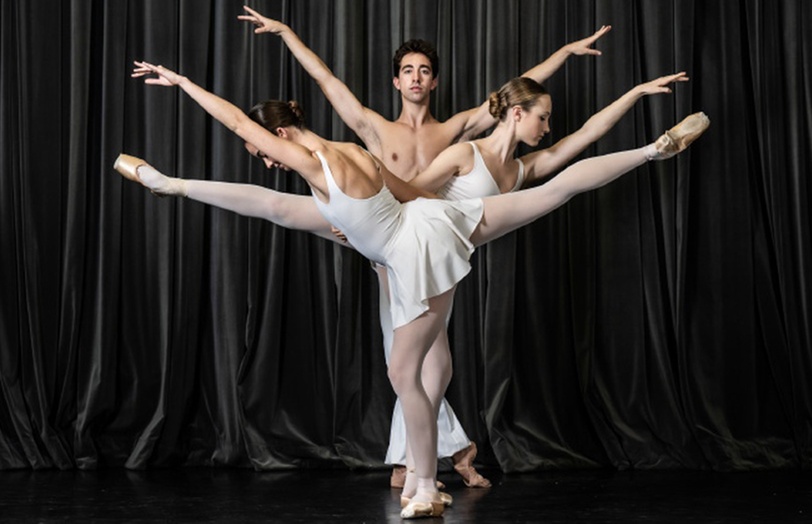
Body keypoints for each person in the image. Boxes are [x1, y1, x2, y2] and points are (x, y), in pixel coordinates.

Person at [120, 60, 708, 518]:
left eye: (262, 149)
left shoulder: (311, 160)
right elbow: (384, 197)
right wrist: (392, 229)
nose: (262, 157)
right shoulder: (352, 153)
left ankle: (425, 485)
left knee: (405, 373)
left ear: (279, 134)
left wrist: (183, 83)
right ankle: (651, 150)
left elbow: (238, 125)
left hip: (414, 248)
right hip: (430, 225)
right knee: (551, 193)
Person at [238, 5, 615, 490]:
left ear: (434, 81)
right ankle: (436, 457)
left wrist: (563, 54)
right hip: (385, 249)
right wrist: (287, 33)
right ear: (396, 81)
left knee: (423, 363)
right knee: (403, 360)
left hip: (433, 247)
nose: (416, 78)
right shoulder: (375, 128)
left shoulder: (453, 130)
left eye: (424, 71)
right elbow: (328, 82)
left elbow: (514, 94)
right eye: (408, 70)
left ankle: (422, 461)